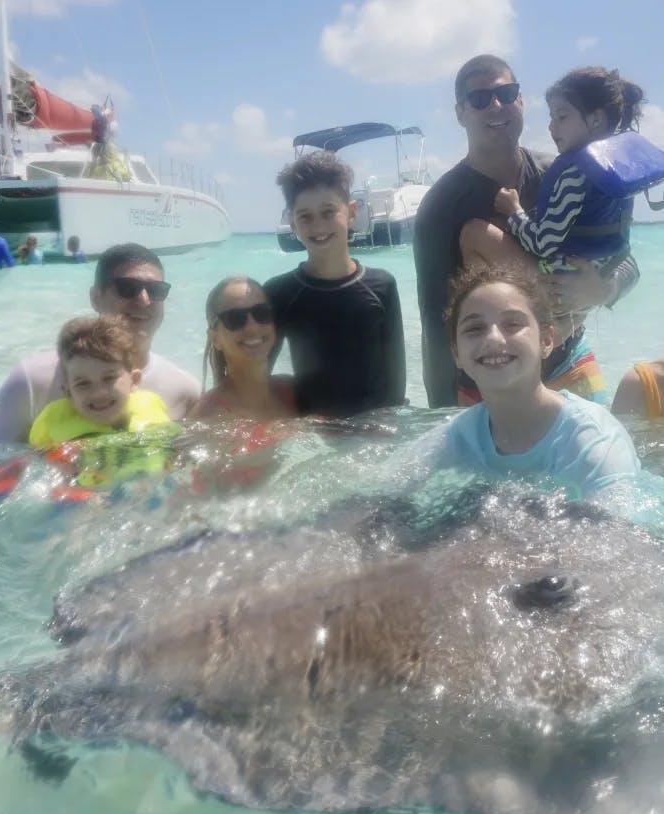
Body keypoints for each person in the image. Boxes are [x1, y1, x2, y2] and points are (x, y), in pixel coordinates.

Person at [414, 54, 640, 409]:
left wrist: (603, 289)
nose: (496, 106)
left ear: (521, 100)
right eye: (479, 99)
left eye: (507, 93)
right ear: (461, 114)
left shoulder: (566, 174)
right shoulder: (441, 207)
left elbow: (625, 257)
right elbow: (435, 322)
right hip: (489, 383)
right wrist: (443, 417)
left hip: (569, 361)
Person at [413, 263, 639, 499]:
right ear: (456, 353)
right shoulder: (459, 436)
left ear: (546, 340)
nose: (493, 338)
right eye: (475, 328)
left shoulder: (592, 443)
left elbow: (618, 532)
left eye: (513, 324)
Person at [0, 242, 200, 443]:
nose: (144, 300)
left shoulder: (186, 391)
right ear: (95, 298)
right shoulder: (30, 382)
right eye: (127, 288)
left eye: (156, 290)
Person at [266, 150, 406, 417]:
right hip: (313, 438)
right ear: (292, 222)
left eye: (329, 212)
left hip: (373, 436)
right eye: (305, 216)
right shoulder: (280, 293)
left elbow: (396, 382)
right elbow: (257, 375)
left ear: (351, 212)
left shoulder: (382, 285)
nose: (318, 226)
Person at [494, 67, 660, 277]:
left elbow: (543, 244)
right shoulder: (618, 169)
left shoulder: (574, 175)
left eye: (561, 117)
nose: (551, 127)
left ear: (595, 120)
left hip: (565, 278)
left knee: (478, 236)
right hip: (605, 268)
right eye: (551, 117)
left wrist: (513, 211)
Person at [29, 315, 170, 446]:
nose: (99, 393)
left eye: (109, 378)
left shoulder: (152, 417)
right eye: (83, 383)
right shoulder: (51, 426)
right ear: (68, 393)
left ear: (134, 381)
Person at [190, 276, 296, 421]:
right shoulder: (209, 416)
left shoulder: (291, 391)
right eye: (235, 318)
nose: (252, 327)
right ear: (216, 339)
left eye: (261, 313)